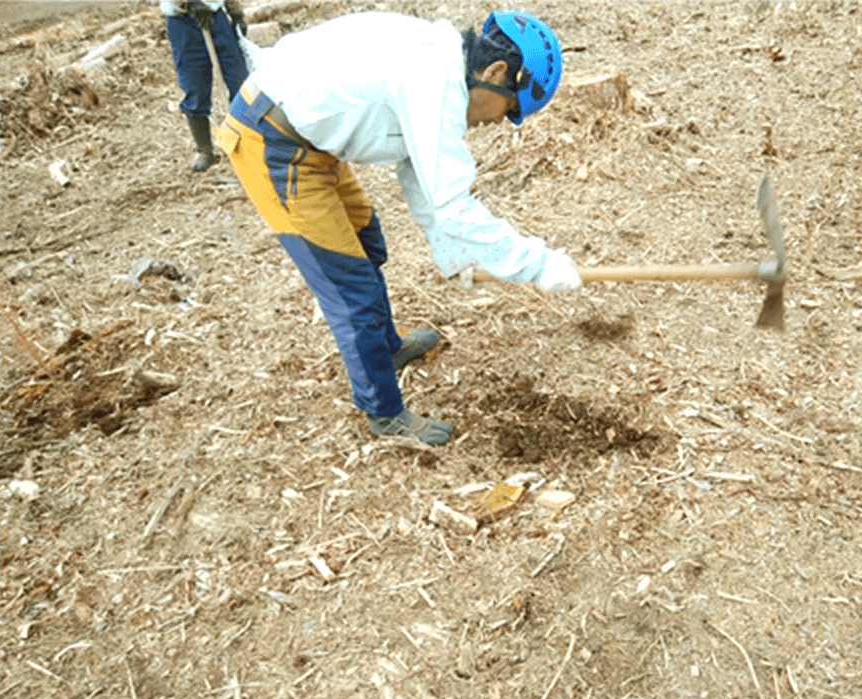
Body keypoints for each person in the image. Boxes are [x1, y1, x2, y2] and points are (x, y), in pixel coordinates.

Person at [215, 10, 582, 448]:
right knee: (352, 289)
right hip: (273, 142)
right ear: (497, 71)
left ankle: (384, 349)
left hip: (311, 142)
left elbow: (421, 180)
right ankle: (384, 413)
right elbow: (452, 204)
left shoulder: (440, 66)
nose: (499, 122)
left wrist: (456, 258)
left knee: (368, 244)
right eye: (510, 108)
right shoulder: (432, 79)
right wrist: (537, 264)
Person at [162, 0, 249, 172]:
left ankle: (248, 142)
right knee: (195, 88)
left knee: (240, 83)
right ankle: (205, 151)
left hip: (217, 18)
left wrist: (236, 13)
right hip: (183, 23)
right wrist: (191, 4)